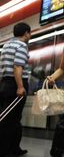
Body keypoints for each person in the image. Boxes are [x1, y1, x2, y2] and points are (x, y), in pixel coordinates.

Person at [0, 22, 31, 157]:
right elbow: (18, 67)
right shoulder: (22, 45)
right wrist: (20, 86)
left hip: (5, 84)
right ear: (26, 33)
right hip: (15, 84)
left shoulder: (6, 46)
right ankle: (5, 151)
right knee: (9, 121)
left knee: (12, 118)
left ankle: (15, 149)